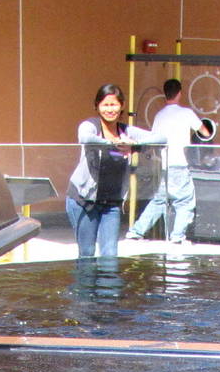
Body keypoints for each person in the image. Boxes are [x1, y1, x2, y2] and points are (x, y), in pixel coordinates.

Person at [65, 84, 162, 258]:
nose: (110, 109)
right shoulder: (91, 125)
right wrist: (113, 144)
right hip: (84, 200)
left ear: (122, 105)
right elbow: (84, 137)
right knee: (87, 253)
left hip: (111, 203)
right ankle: (84, 286)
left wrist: (133, 144)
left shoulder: (126, 131)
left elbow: (161, 138)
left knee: (110, 256)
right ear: (97, 106)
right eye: (105, 105)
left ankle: (107, 286)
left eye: (114, 105)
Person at [128, 79, 209, 244]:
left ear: (164, 94)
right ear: (180, 93)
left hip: (162, 164)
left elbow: (154, 140)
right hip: (179, 164)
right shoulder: (186, 113)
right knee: (185, 201)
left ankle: (136, 231)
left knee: (159, 200)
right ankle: (177, 236)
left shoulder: (159, 115)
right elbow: (205, 133)